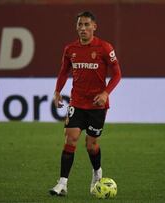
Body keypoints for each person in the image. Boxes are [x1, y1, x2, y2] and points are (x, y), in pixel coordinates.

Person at [49, 11, 122, 196]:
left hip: (97, 106)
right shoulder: (70, 49)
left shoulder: (105, 48)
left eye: (86, 24)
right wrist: (57, 92)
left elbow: (117, 74)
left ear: (94, 27)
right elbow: (63, 72)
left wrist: (106, 93)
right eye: (80, 25)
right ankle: (62, 184)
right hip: (77, 102)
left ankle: (97, 173)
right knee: (70, 139)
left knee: (91, 145)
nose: (83, 28)